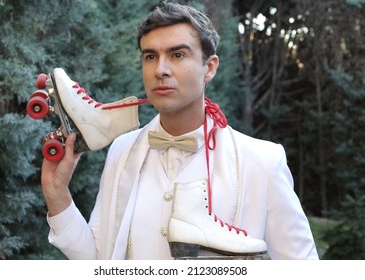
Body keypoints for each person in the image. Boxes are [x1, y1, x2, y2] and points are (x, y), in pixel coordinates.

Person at [40, 1, 319, 260]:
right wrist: (57, 193)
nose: (160, 69)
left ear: (209, 68)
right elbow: (99, 261)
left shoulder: (263, 162)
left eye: (177, 54)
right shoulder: (122, 151)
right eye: (150, 56)